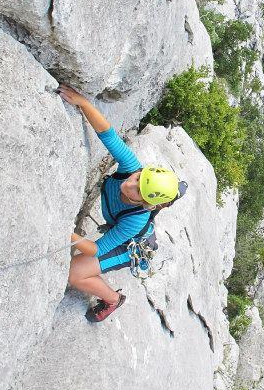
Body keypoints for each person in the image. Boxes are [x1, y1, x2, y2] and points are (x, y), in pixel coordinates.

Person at [58, 86, 185, 323]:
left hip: (127, 247)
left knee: (75, 274)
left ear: (147, 203)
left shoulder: (135, 219)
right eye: (138, 179)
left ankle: (113, 300)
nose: (129, 185)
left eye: (138, 191)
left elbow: (97, 249)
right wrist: (84, 103)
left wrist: (64, 233)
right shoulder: (131, 168)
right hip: (120, 231)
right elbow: (107, 133)